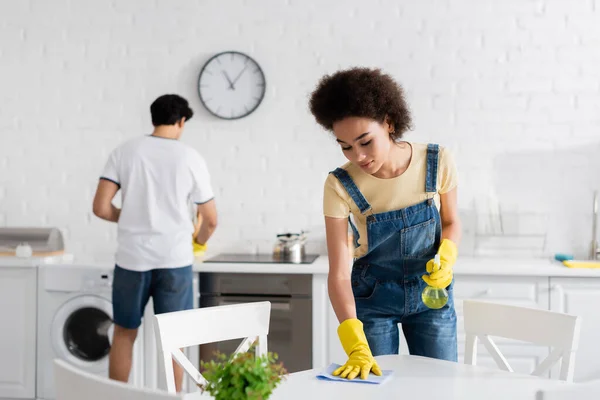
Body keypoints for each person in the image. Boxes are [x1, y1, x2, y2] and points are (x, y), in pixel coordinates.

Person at [309, 68, 461, 380]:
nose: (358, 156)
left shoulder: (436, 161)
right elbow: (339, 273)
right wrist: (352, 337)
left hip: (430, 295)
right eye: (346, 146)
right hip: (372, 301)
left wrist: (447, 256)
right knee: (374, 389)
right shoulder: (340, 184)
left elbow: (451, 222)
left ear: (389, 123)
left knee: (441, 386)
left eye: (365, 141)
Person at [92, 94, 218, 390]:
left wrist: (132, 217)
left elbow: (101, 207)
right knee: (175, 339)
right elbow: (210, 220)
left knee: (124, 332)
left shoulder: (124, 152)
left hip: (131, 260)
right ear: (181, 121)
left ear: (153, 119)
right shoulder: (190, 157)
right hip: (174, 261)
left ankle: (115, 399)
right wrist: (197, 241)